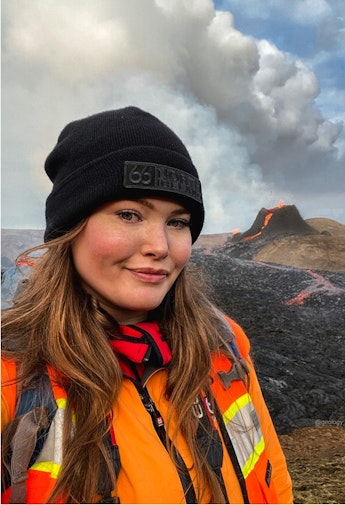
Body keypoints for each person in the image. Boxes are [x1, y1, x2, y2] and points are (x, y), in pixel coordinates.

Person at [1, 106, 293, 503]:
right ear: (70, 228)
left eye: (177, 222)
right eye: (129, 214)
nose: (159, 246)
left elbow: (273, 482)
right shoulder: (11, 375)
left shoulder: (223, 343)